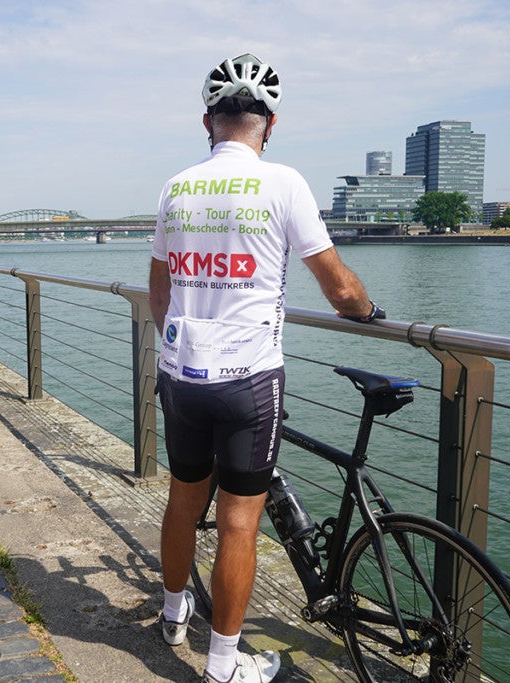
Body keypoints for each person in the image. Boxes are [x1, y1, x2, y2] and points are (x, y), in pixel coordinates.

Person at [150, 53, 385, 683]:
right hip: (249, 380)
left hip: (181, 373)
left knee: (181, 502)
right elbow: (339, 290)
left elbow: (159, 290)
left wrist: (174, 348)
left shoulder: (177, 186)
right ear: (269, 125)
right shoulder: (284, 184)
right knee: (238, 522)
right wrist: (370, 312)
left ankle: (174, 614)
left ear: (208, 120)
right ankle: (223, 665)